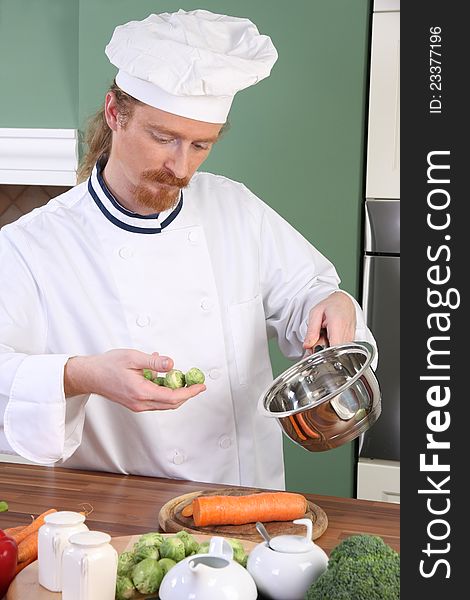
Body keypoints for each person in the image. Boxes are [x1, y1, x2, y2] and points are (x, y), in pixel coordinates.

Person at [0, 9, 376, 490]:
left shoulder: (235, 208)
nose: (180, 166)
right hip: (121, 510)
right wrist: (81, 375)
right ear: (116, 113)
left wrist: (333, 303)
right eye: (164, 138)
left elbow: (309, 294)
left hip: (245, 498)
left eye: (202, 145)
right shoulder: (33, 244)